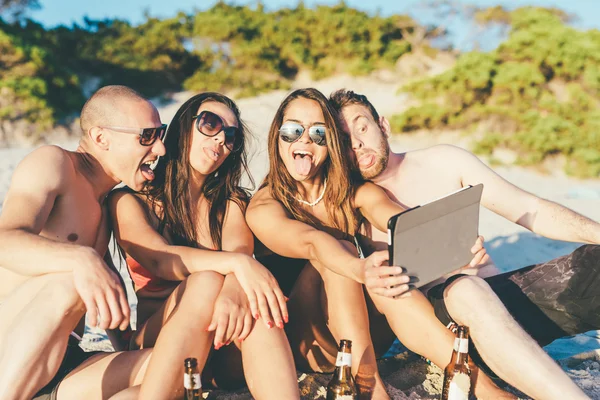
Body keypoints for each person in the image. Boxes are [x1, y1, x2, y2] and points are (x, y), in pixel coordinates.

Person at [246, 87, 589, 400]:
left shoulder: (353, 192)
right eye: (292, 131)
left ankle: (489, 393)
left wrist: (450, 243)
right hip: (309, 340)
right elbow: (311, 242)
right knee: (345, 259)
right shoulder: (265, 205)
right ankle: (372, 389)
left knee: (387, 277)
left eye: (318, 133)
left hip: (378, 334)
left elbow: (397, 217)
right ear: (276, 136)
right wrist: (359, 267)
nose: (304, 140)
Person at [329, 88, 600, 382]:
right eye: (344, 140)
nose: (357, 144)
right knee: (465, 290)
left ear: (383, 126)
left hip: (509, 302)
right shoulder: (349, 206)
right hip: (447, 328)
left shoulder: (444, 162)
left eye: (363, 127)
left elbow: (527, 208)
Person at [108, 92, 300, 399]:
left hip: (221, 343)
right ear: (184, 126)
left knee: (256, 303)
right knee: (207, 279)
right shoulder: (129, 201)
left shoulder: (230, 202)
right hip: (159, 340)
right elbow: (162, 260)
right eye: (210, 124)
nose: (221, 139)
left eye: (231, 136)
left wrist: (237, 280)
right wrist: (237, 267)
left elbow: (240, 252)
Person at [0, 85, 165, 399]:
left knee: (168, 367)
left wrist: (127, 346)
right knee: (72, 280)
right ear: (102, 138)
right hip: (7, 348)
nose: (160, 150)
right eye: (146, 136)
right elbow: (4, 240)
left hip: (55, 363)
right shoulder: (55, 163)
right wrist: (80, 258)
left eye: (161, 134)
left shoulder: (108, 204)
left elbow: (105, 297)